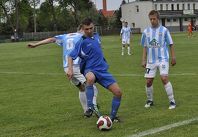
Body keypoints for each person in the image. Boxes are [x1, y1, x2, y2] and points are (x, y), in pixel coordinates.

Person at [27, 27, 99, 114]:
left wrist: (36, 44)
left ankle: (86, 111)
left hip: (67, 68)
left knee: (81, 88)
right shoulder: (82, 36)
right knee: (92, 88)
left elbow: (51, 39)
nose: (88, 31)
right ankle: (93, 108)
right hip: (76, 66)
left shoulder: (65, 36)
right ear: (82, 29)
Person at [67, 18, 122, 122]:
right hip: (90, 69)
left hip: (103, 70)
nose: (89, 31)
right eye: (86, 29)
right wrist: (70, 69)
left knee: (118, 92)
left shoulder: (97, 36)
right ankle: (90, 107)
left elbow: (98, 48)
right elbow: (70, 56)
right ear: (83, 29)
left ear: (94, 26)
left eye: (91, 28)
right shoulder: (81, 42)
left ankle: (112, 118)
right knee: (90, 78)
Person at [141, 10, 176, 109]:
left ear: (158, 19)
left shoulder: (164, 30)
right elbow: (144, 46)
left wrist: (173, 57)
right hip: (150, 60)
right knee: (148, 81)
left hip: (163, 59)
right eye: (150, 19)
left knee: (164, 78)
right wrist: (143, 59)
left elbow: (171, 44)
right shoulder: (146, 32)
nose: (152, 21)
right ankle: (150, 100)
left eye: (154, 19)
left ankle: (172, 101)